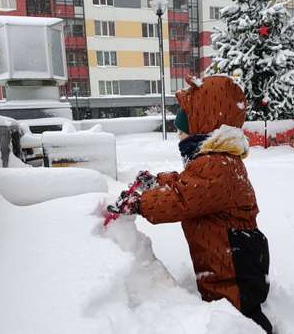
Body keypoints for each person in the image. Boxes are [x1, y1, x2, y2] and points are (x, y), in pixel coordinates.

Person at [109, 75, 272, 333]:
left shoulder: (217, 165)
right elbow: (187, 186)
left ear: (205, 126)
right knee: (228, 311)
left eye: (183, 131)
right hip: (227, 256)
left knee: (241, 318)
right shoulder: (213, 162)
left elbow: (182, 200)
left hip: (234, 264)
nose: (179, 137)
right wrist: (156, 182)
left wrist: (141, 204)